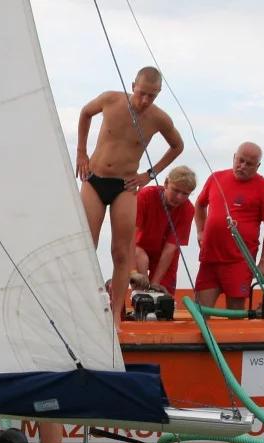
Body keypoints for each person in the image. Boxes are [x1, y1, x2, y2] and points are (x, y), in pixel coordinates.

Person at [75, 66, 183, 322]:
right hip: (95, 179)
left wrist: (150, 174)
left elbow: (177, 145)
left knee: (122, 252)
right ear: (134, 85)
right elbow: (85, 113)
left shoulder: (159, 118)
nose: (145, 101)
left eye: (152, 96)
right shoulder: (111, 99)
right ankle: (82, 308)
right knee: (87, 245)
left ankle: (115, 314)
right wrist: (81, 151)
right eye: (142, 93)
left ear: (158, 94)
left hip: (125, 186)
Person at [193, 142, 264, 309]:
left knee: (236, 314)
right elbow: (199, 204)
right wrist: (200, 232)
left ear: (258, 166)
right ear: (234, 157)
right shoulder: (215, 178)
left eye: (249, 164)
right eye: (240, 160)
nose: (243, 166)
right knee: (201, 311)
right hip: (210, 258)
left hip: (240, 261)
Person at [132, 166, 197, 293]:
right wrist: (132, 271)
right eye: (176, 190)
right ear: (166, 183)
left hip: (165, 255)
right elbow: (129, 239)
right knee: (141, 285)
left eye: (185, 194)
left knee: (162, 295)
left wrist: (155, 283)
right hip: (139, 248)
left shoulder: (188, 209)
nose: (179, 197)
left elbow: (170, 249)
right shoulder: (145, 196)